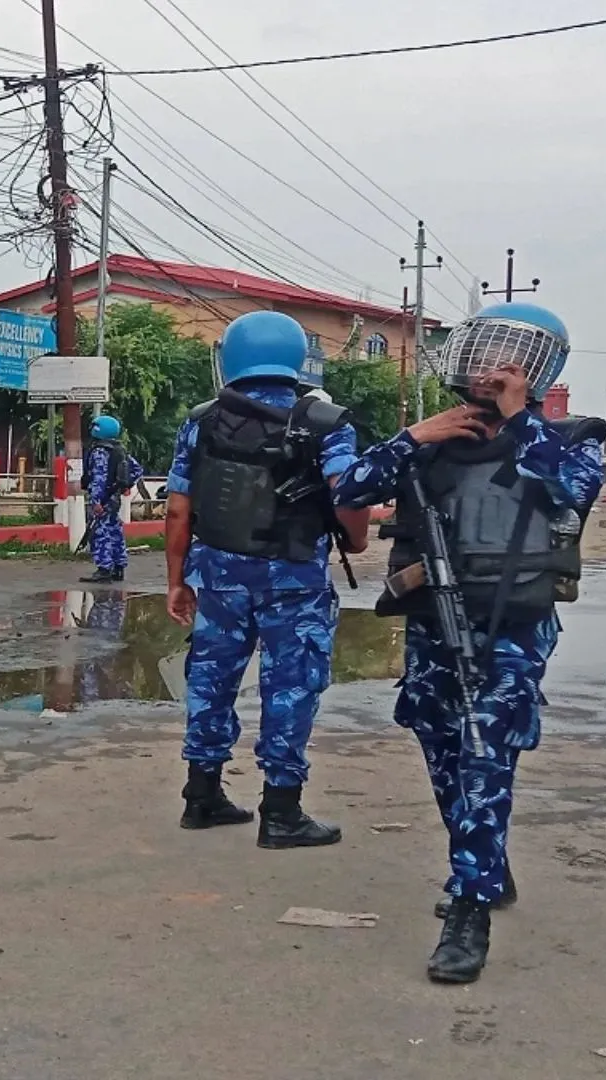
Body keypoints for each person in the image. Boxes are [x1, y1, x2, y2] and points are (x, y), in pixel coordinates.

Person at [336, 301, 605, 985]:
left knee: (487, 753)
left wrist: (519, 421)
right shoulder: (435, 440)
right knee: (442, 745)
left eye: (511, 358)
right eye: (485, 353)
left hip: (512, 626)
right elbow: (348, 490)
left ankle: (470, 905)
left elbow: (566, 495)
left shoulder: (570, 438)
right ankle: (483, 858)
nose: (492, 369)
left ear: (538, 370)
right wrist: (412, 436)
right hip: (434, 621)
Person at [166, 310, 371, 851]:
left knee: (209, 682)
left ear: (230, 357)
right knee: (290, 688)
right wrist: (355, 541)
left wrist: (175, 581)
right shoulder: (326, 421)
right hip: (294, 581)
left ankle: (201, 795)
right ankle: (281, 811)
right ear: (297, 356)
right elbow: (348, 491)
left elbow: (178, 509)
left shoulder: (201, 420)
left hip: (219, 578)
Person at [81, 415, 144, 584]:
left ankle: (104, 569)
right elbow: (137, 469)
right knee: (115, 530)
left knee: (100, 533)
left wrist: (97, 502)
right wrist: (124, 485)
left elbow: (98, 479)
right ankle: (118, 568)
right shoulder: (119, 449)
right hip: (114, 497)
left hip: (103, 499)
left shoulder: (100, 451)